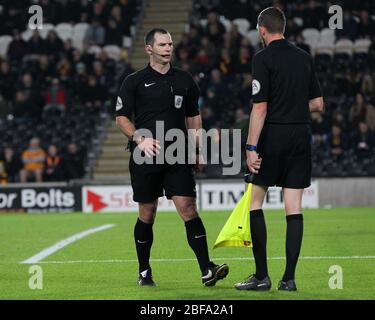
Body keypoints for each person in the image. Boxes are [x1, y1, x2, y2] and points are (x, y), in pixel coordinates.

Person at [115, 28, 229, 287]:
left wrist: (197, 149)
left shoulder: (185, 80)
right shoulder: (133, 81)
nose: (168, 48)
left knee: (188, 209)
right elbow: (121, 118)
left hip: (178, 154)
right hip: (146, 156)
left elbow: (193, 118)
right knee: (147, 212)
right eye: (163, 44)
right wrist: (139, 139)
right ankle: (144, 271)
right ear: (149, 49)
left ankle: (206, 269)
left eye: (170, 44)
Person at [235, 7, 324, 292]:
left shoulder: (263, 58)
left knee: (255, 203)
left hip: (274, 134)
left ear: (262, 29)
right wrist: (294, 104)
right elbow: (318, 103)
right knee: (293, 208)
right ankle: (289, 279)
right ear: (282, 27)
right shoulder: (304, 57)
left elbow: (259, 107)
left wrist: (250, 147)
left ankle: (262, 276)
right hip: (301, 134)